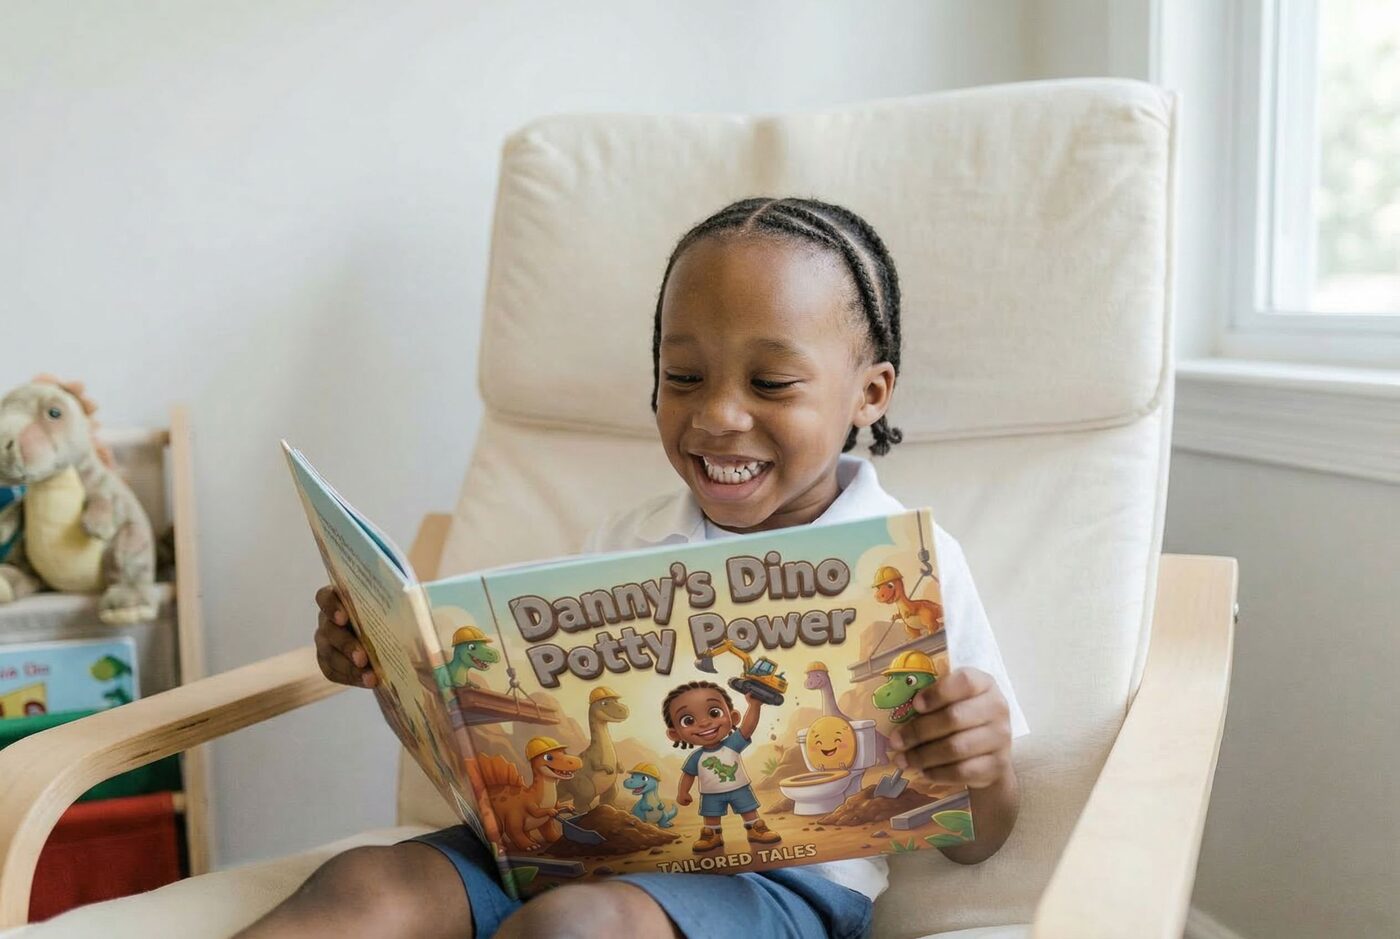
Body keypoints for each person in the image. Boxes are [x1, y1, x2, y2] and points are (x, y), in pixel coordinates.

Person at [239, 197, 1028, 939]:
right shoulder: (627, 540)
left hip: (779, 882)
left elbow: (979, 837)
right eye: (683, 377)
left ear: (870, 393)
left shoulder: (908, 567)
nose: (718, 414)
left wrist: (981, 763)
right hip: (576, 846)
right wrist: (391, 669)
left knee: (578, 924)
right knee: (365, 883)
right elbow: (512, 756)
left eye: (770, 383)